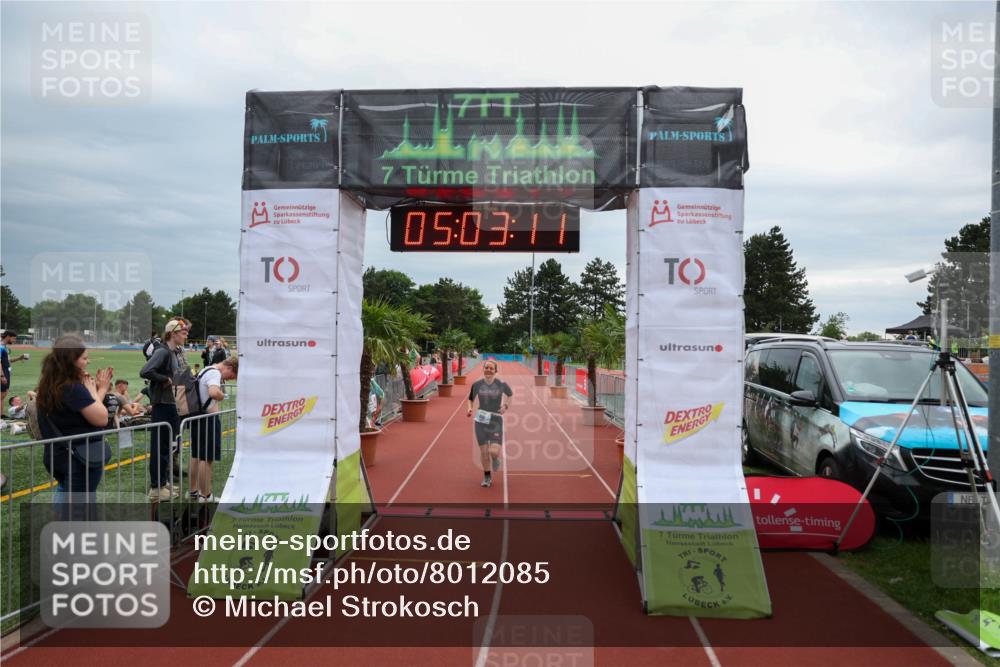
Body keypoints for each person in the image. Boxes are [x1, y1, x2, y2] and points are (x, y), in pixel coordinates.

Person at [36, 335, 113, 504]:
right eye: (84, 358)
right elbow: (101, 418)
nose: (88, 362)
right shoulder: (73, 388)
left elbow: (89, 410)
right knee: (79, 507)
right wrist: (98, 390)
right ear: (71, 361)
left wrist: (95, 391)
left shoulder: (50, 383)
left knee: (65, 492)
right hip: (78, 458)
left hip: (58, 454)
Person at [140, 319, 186, 501]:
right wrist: (165, 380)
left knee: (167, 446)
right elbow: (145, 371)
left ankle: (163, 482)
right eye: (183, 332)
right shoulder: (162, 351)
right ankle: (156, 487)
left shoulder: (173, 352)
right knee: (159, 447)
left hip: (170, 404)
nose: (186, 336)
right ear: (172, 333)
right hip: (162, 404)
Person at [188, 356, 238, 503]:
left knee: (196, 455)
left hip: (198, 416)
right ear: (229, 367)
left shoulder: (206, 369)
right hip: (208, 419)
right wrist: (223, 396)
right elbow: (214, 392)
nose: (229, 379)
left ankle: (193, 491)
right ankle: (206, 495)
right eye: (232, 376)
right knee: (206, 459)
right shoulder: (215, 373)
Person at [466, 359, 513, 488]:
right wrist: (469, 409)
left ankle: (495, 459)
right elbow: (470, 399)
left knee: (493, 451)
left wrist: (505, 406)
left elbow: (510, 395)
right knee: (484, 452)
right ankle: (487, 477)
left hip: (495, 420)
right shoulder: (477, 384)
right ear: (483, 369)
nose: (488, 370)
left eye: (491, 368)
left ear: (495, 371)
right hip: (481, 421)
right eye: (486, 367)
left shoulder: (501, 384)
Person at [1, 330, 29, 404]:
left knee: (3, 395)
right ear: (8, 337)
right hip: (3, 372)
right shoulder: (1, 347)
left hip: (6, 372)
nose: (14, 340)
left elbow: (8, 361)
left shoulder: (5, 347)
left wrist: (20, 358)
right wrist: (2, 375)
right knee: (2, 395)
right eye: (13, 338)